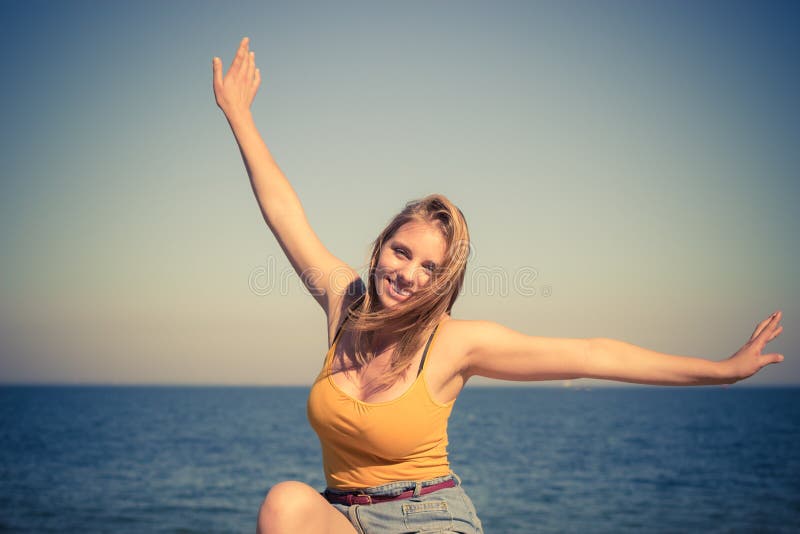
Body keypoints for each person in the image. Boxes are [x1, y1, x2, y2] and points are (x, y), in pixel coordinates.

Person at [212, 37, 786, 534]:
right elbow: (285, 213)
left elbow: (591, 354)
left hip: (428, 517)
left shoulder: (456, 344)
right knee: (286, 502)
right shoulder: (345, 304)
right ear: (381, 246)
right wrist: (239, 115)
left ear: (443, 283)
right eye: (401, 251)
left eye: (429, 269)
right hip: (341, 516)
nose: (407, 274)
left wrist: (723, 370)